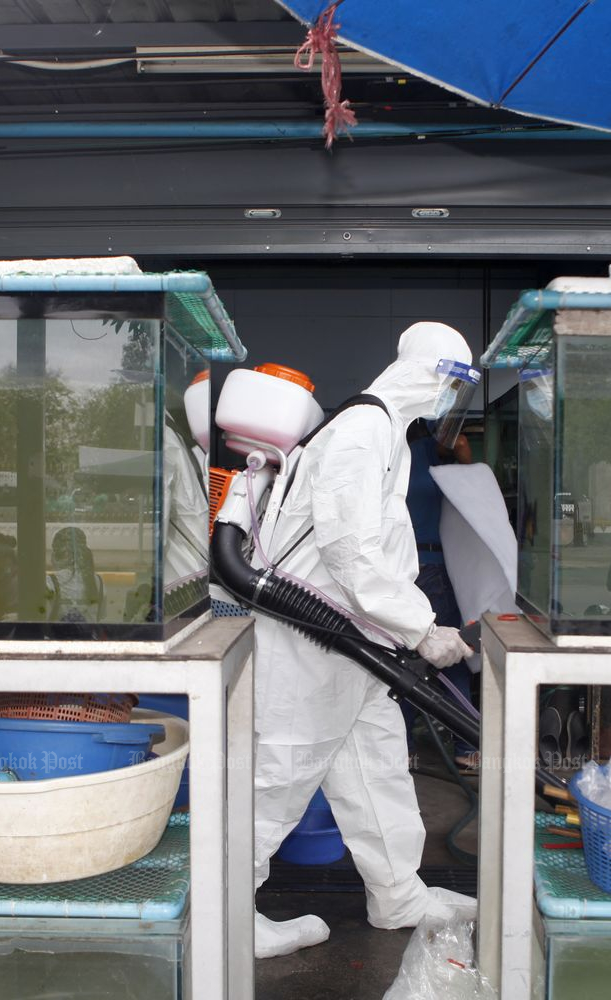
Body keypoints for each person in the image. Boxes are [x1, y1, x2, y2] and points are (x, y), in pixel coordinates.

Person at [250, 321, 480, 959]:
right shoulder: (360, 431)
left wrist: (400, 629)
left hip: (357, 645)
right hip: (313, 643)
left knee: (378, 769)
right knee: (281, 775)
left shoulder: (390, 438)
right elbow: (349, 551)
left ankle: (398, 895)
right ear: (431, 372)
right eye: (450, 384)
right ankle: (229, 908)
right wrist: (421, 627)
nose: (446, 402)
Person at [404, 418, 477, 767]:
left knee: (403, 656)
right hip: (431, 566)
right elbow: (466, 456)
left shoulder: (394, 460)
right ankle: (467, 747)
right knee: (453, 655)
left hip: (401, 569)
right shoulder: (432, 459)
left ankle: (401, 748)